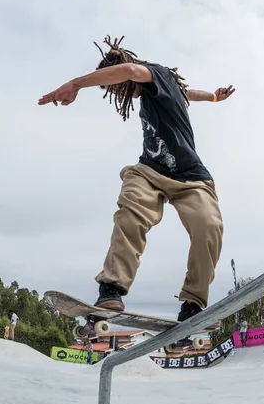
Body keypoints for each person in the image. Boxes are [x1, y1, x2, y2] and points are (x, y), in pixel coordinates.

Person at [38, 35, 235, 330]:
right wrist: (214, 97)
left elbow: (130, 71)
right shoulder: (170, 89)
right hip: (148, 171)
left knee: (209, 227)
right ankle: (112, 290)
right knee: (132, 210)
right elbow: (188, 93)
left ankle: (193, 304)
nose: (119, 93)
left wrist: (75, 84)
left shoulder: (156, 73)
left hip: (191, 177)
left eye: (115, 87)